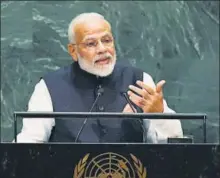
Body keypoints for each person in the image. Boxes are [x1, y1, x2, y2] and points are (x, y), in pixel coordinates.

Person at [15, 12, 183, 143]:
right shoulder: (50, 87)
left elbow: (172, 143)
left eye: (107, 40)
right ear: (73, 51)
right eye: (91, 43)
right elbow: (30, 142)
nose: (102, 49)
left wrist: (159, 114)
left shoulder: (139, 80)